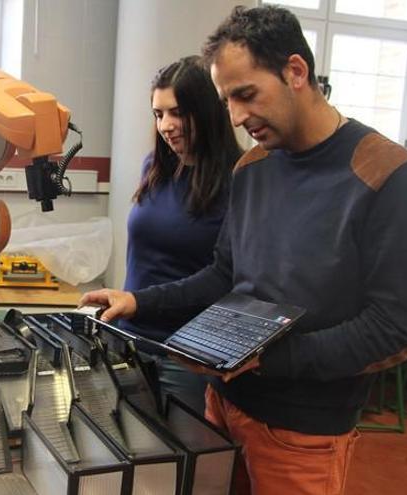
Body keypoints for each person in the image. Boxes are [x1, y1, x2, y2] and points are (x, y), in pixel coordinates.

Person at [81, 5, 407, 495]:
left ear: (296, 71)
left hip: (302, 431)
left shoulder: (387, 176)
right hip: (222, 404)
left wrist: (271, 360)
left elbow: (395, 329)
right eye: (227, 100)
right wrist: (141, 301)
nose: (237, 117)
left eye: (246, 95)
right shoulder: (252, 167)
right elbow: (223, 276)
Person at [121, 55, 242, 414]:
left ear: (207, 111)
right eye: (158, 114)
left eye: (177, 113)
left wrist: (140, 301)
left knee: (186, 461)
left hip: (188, 355)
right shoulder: (154, 168)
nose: (166, 126)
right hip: (131, 339)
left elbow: (226, 278)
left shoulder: (240, 179)